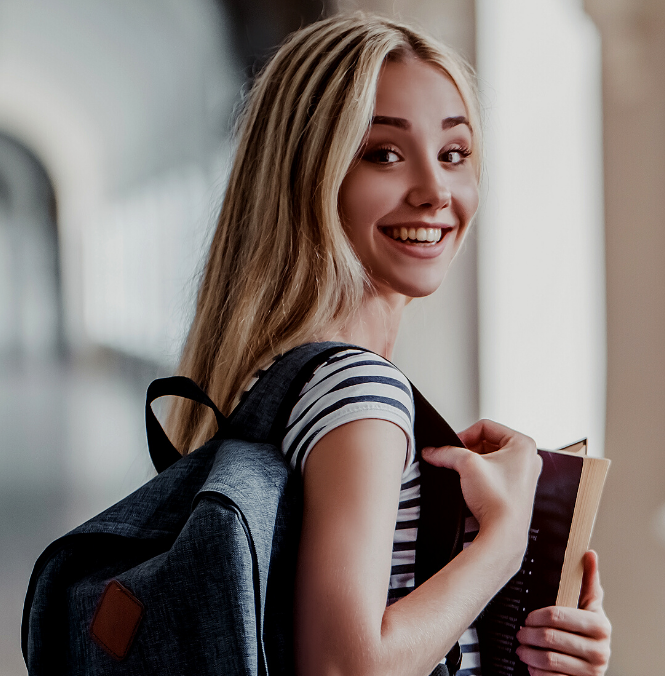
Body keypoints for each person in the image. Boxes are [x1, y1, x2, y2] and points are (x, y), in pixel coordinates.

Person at [165, 16, 611, 676]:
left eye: (454, 155)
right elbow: (347, 667)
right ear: (309, 173)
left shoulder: (273, 378)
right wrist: (502, 541)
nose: (435, 192)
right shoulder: (358, 392)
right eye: (384, 153)